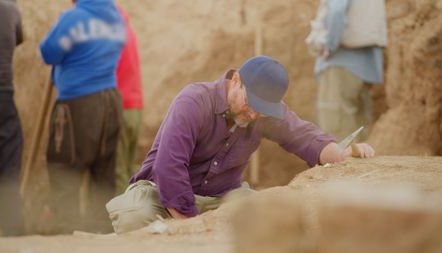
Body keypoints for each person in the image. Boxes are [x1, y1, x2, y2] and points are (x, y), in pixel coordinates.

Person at [106, 55, 375, 234]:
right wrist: (192, 227)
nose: (255, 115)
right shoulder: (193, 102)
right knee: (134, 216)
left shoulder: (264, 112)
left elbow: (303, 136)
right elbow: (169, 167)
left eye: (263, 109)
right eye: (253, 104)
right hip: (162, 193)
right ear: (236, 81)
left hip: (223, 197)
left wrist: (340, 152)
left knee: (269, 214)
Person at [40, 0, 125, 233]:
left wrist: (59, 25)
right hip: (111, 101)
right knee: (103, 170)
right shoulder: (115, 17)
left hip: (78, 102)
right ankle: (102, 229)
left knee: (64, 166)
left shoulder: (73, 18)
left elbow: (48, 53)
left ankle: (66, 229)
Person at [312, 0, 387, 141]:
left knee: (336, 130)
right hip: (366, 66)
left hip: (340, 63)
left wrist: (328, 45)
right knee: (360, 131)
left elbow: (336, 11)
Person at [0, 0, 25, 236]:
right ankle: (11, 227)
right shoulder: (9, 9)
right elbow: (18, 38)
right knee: (7, 162)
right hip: (2, 95)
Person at [114, 6, 144, 195]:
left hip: (120, 106)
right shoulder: (127, 28)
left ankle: (121, 220)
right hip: (135, 106)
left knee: (117, 171)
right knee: (130, 168)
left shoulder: (109, 32)